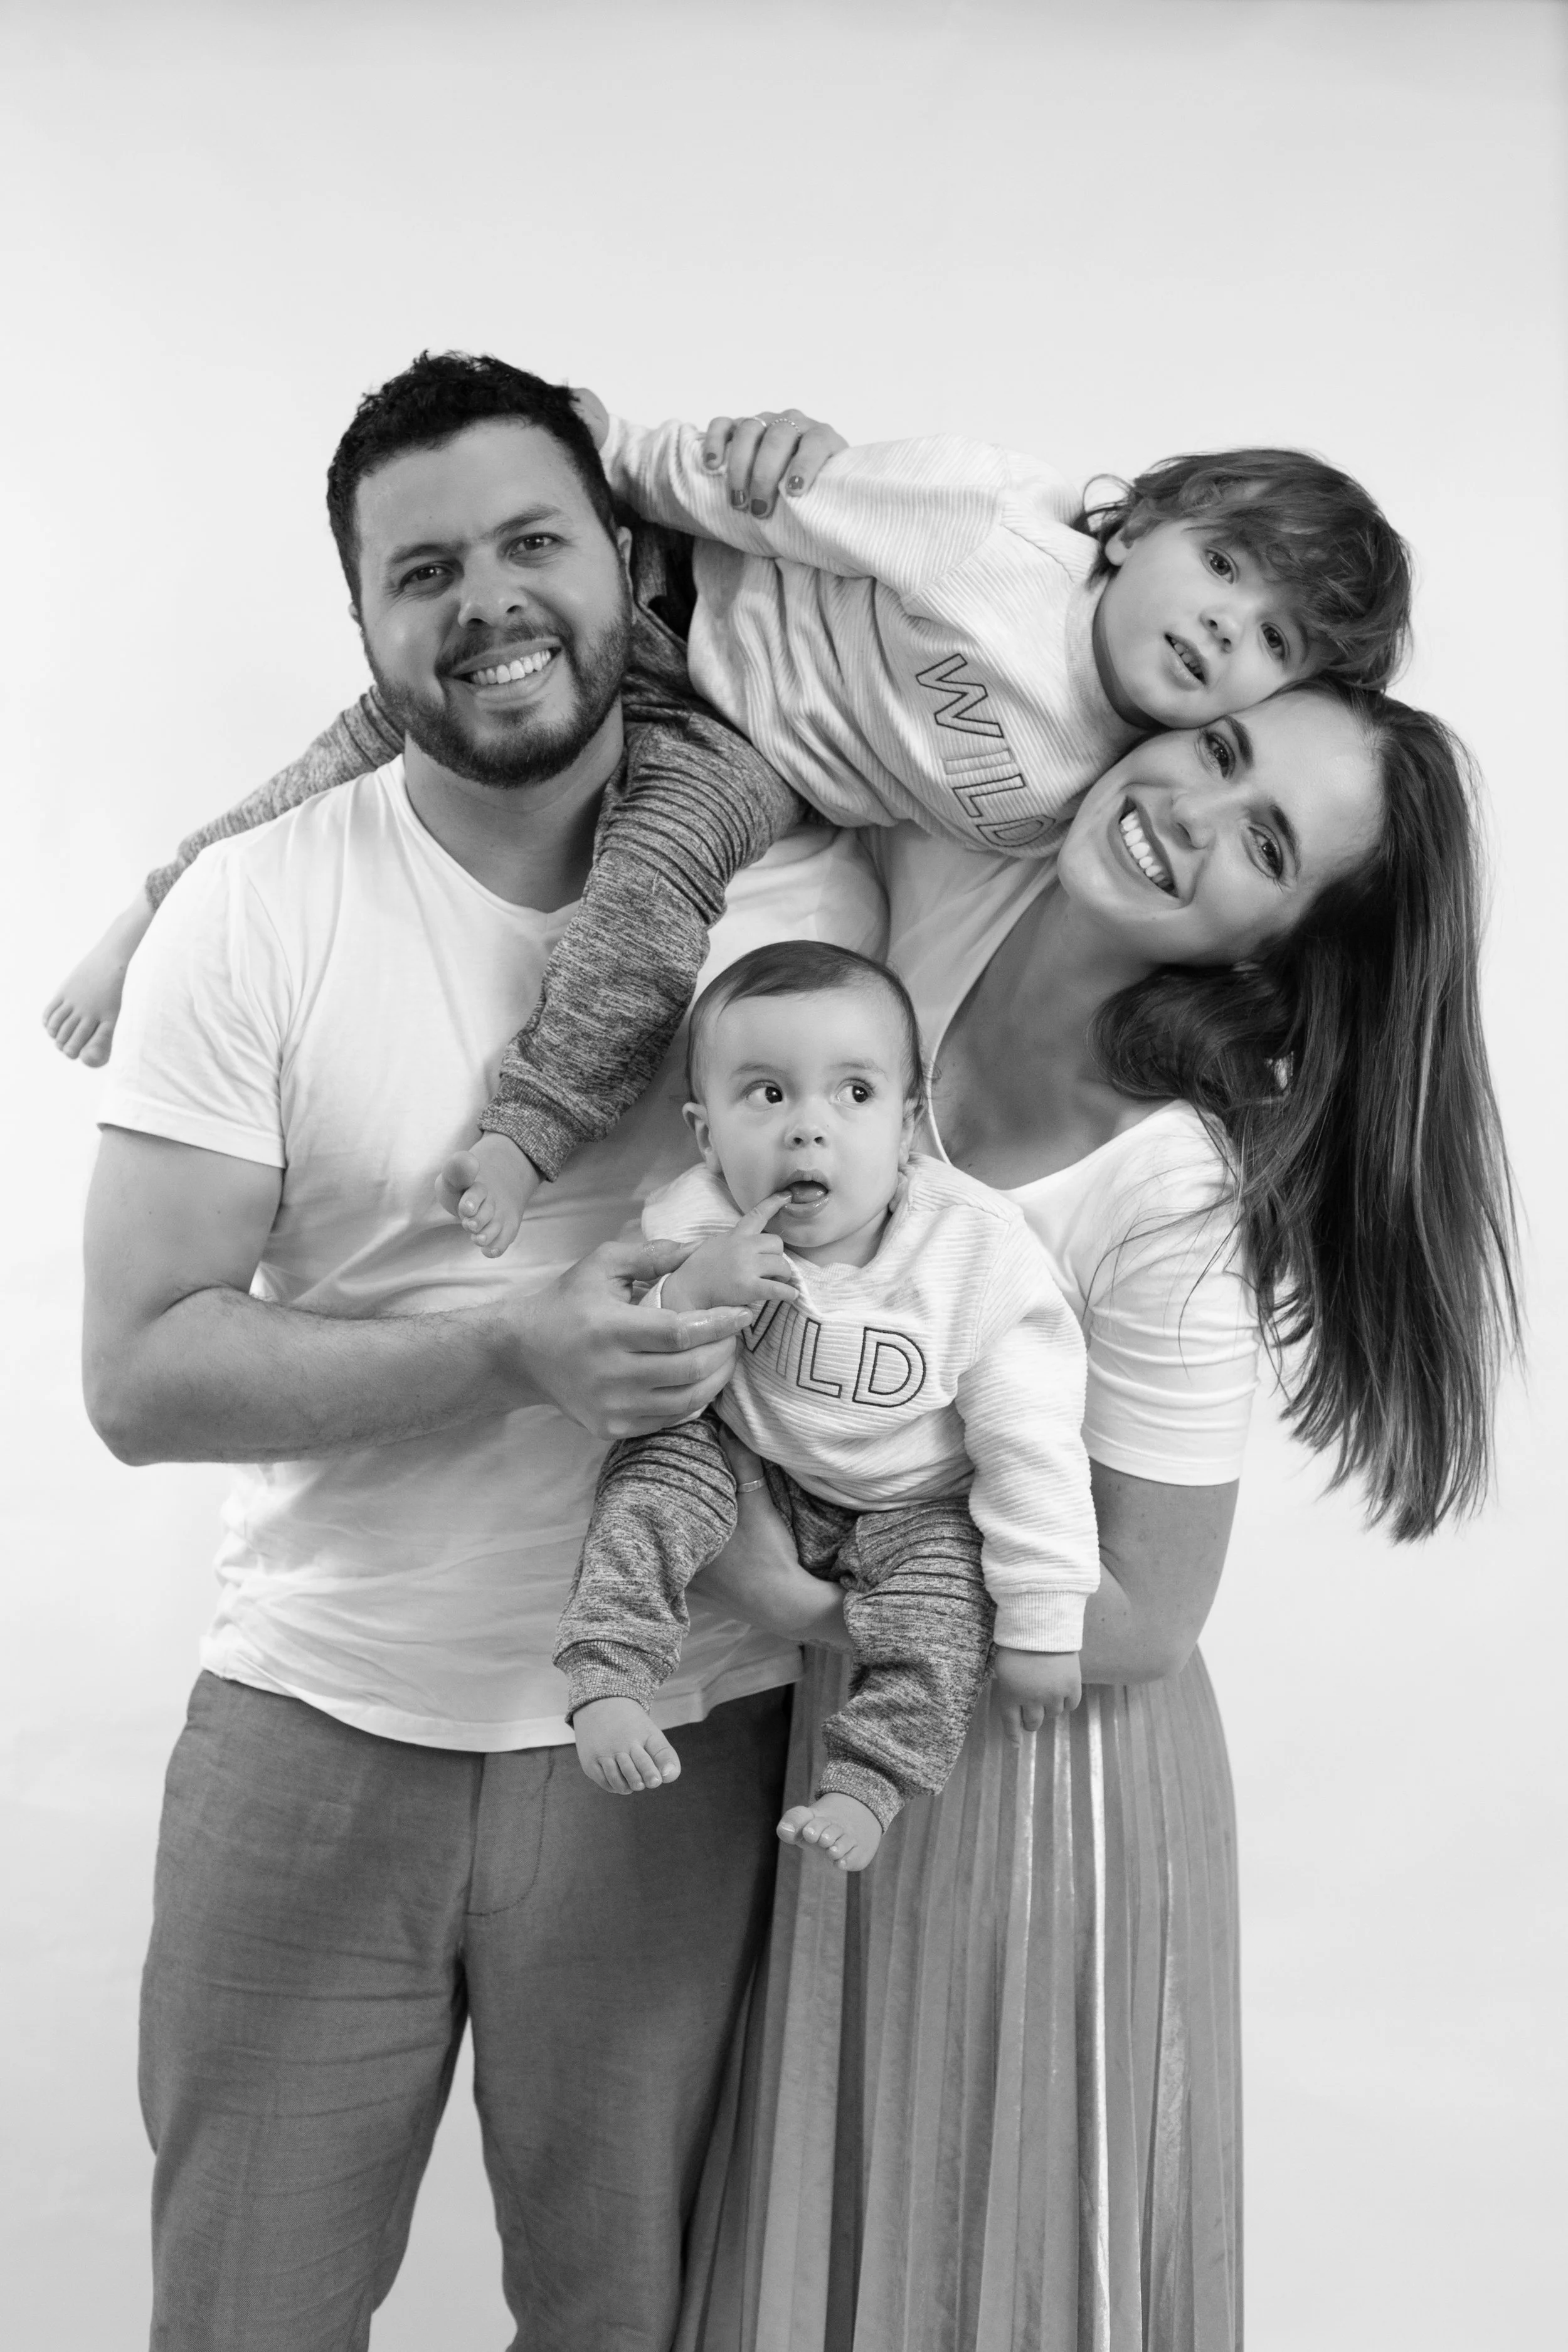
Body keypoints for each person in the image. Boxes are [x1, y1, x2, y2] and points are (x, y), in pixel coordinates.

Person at [80, 359, 884, 2351]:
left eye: (533, 542)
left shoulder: (797, 890)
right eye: (422, 569)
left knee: (633, 2321)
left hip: (677, 1736)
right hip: (313, 1722)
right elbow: (143, 1371)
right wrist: (513, 1349)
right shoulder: (258, 908)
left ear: (625, 557)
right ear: (363, 622)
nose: (488, 601)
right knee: (243, 2317)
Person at [670, 682, 1518, 2349]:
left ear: (1272, 947)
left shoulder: (1169, 1184)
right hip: (857, 1725)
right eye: (1218, 750)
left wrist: (798, 1600)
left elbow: (1142, 1611)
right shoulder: (934, 910)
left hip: (1040, 1772)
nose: (1190, 813)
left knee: (983, 2263)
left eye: (1263, 843)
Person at [46, 384, 1412, 1261]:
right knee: (355, 747)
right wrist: (597, 462)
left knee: (650, 899)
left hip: (739, 752)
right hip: (678, 606)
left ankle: (525, 1131)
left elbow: (1272, 847)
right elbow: (781, 496)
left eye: (1271, 638)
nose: (1219, 624)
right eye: (1219, 564)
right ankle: (152, 910)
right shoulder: (994, 532)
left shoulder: (1117, 801)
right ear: (1141, 522)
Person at [556, 941, 1099, 1873]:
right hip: (755, 1464)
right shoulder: (696, 1222)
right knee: (651, 1475)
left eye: (854, 1093)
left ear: (908, 1122)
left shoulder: (971, 1254)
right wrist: (692, 1292)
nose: (809, 1130)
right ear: (705, 1136)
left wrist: (1043, 1622)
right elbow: (627, 1363)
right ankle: (608, 1672)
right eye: (768, 1095)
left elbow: (1031, 1443)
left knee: (947, 1609)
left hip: (913, 1506)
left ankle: (867, 1783)